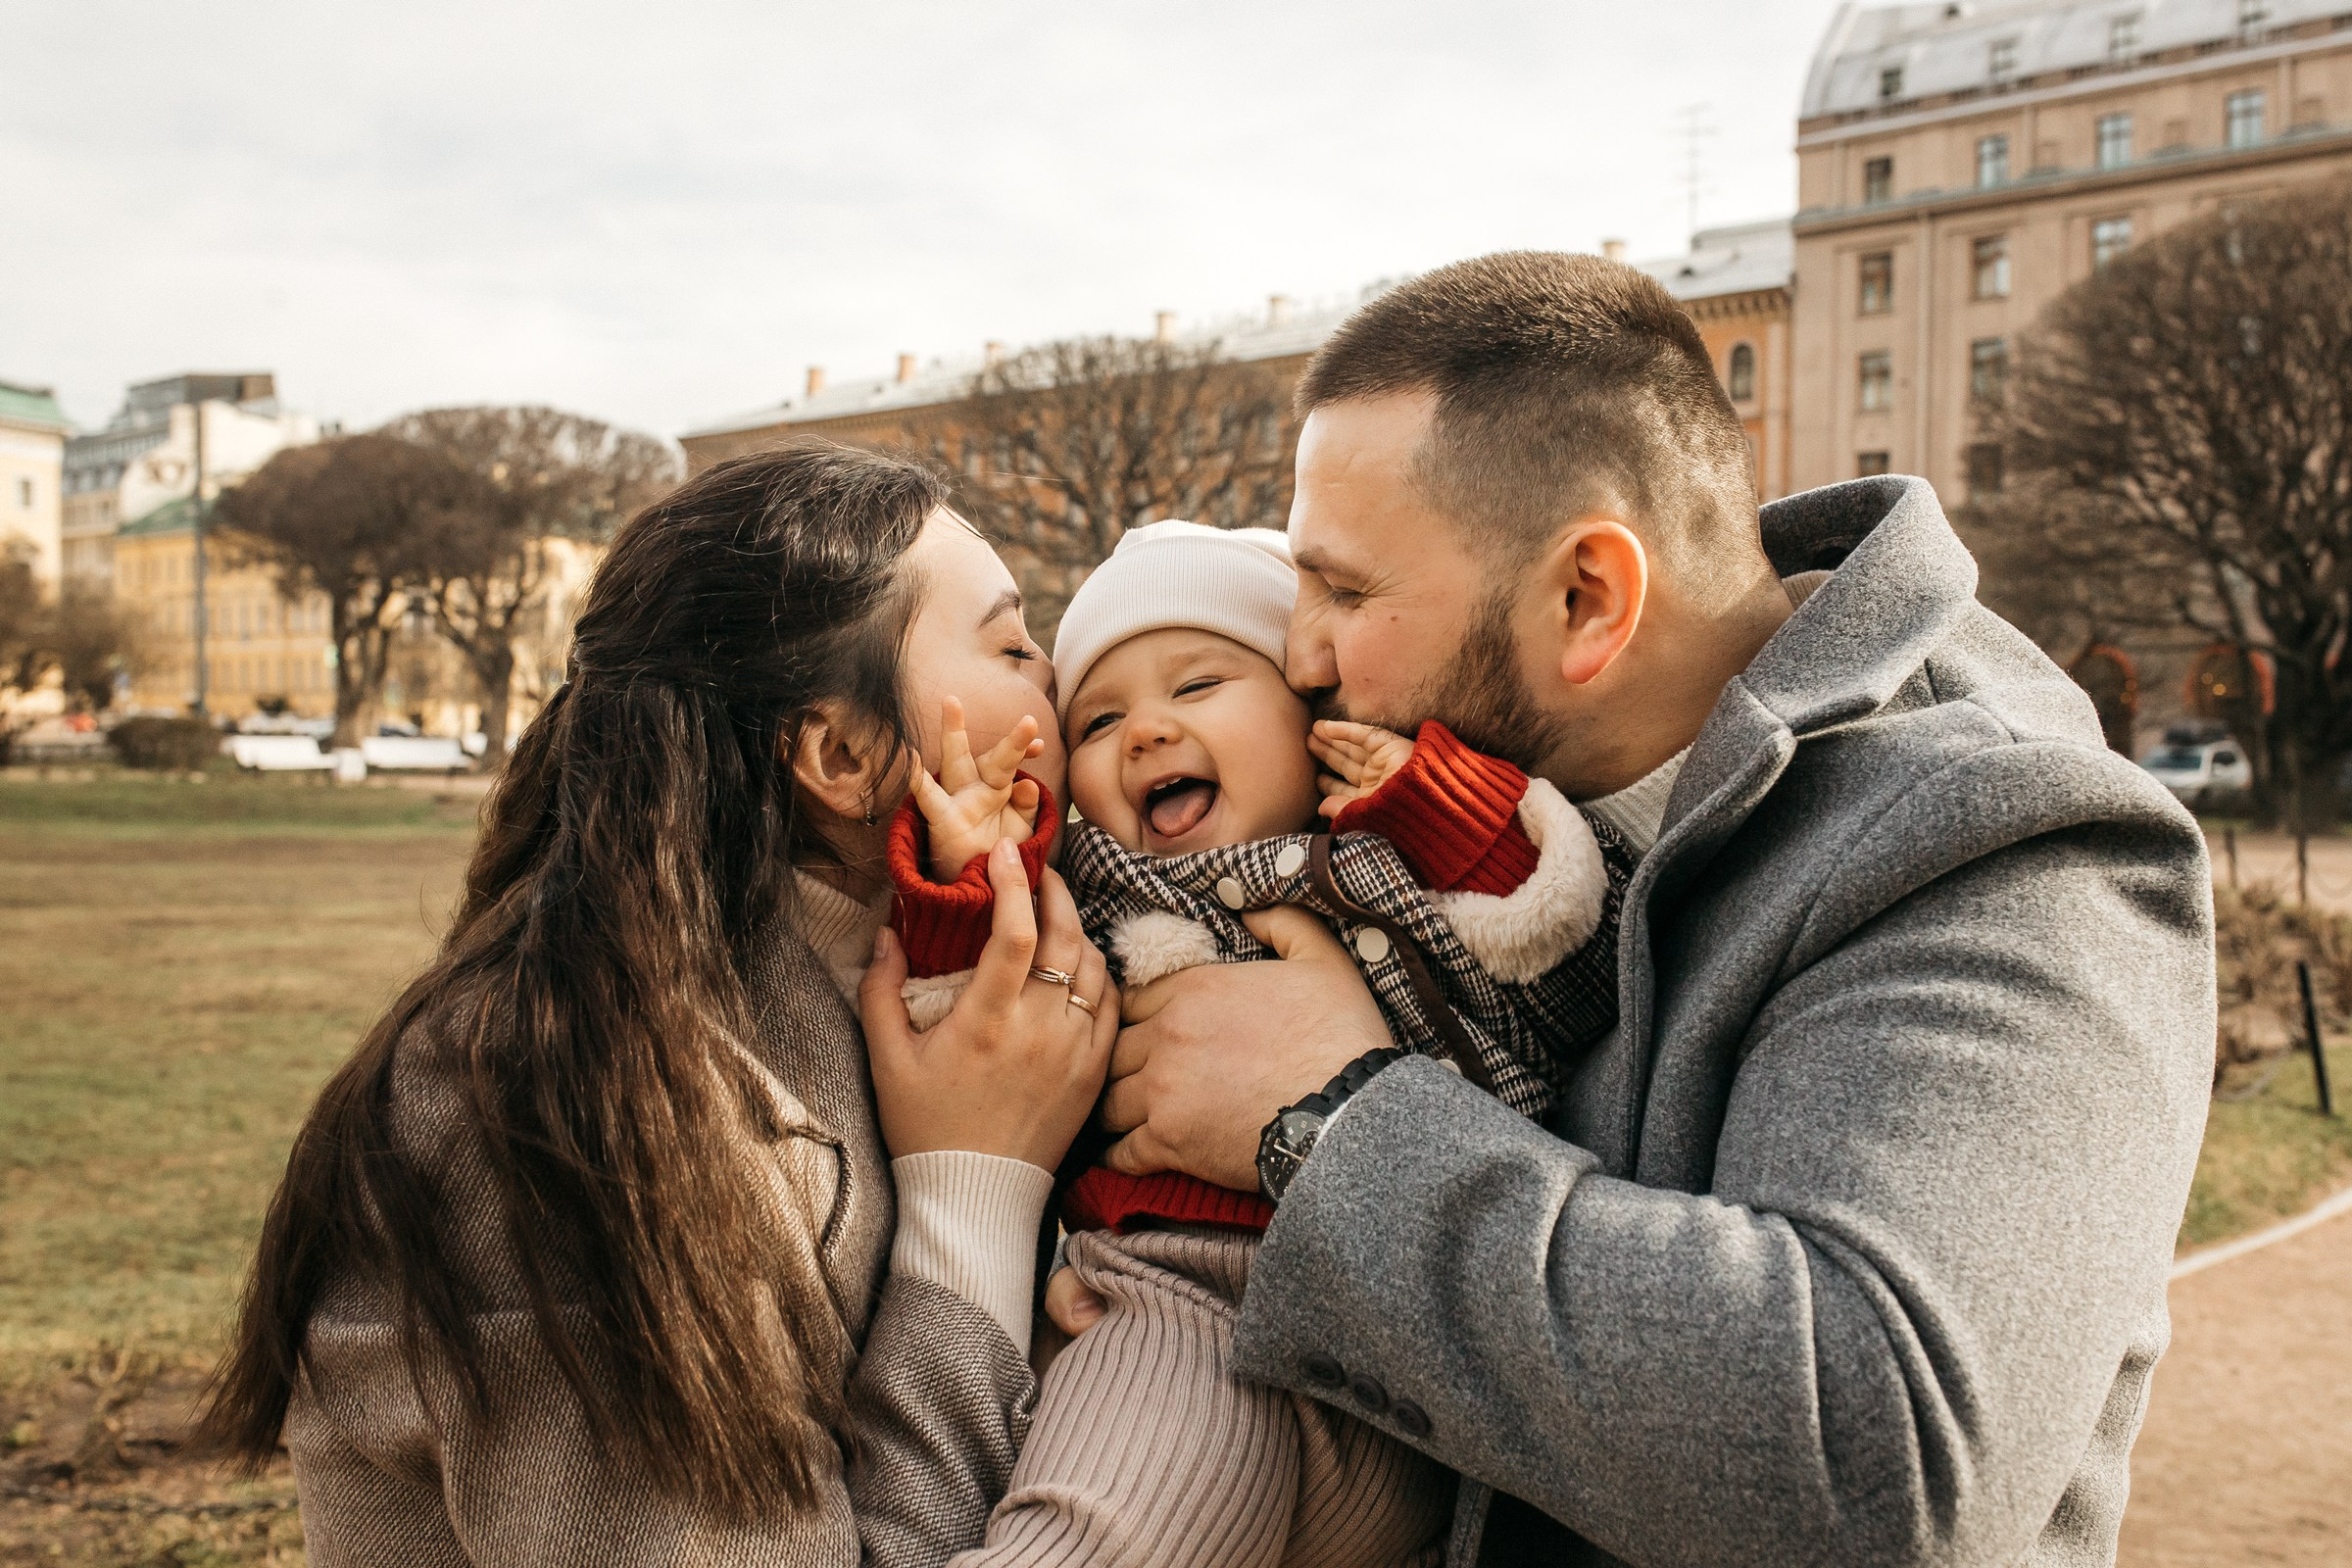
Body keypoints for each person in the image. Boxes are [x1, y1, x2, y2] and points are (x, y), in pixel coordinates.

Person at [1062, 253, 2217, 1566]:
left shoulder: (2008, 842)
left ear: (1587, 601)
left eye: (1343, 591)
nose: (1300, 655)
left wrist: (1326, 1120)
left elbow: (1876, 1460)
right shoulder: (1491, 819)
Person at [199, 444, 1118, 1566]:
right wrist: (975, 1193)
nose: (1057, 682)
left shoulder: (930, 1005)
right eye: (1015, 645)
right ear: (841, 752)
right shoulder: (548, 1104)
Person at [882, 518, 1633, 1567]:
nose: (1144, 731)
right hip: (1183, 1296)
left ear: (1308, 712)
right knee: (1104, 1532)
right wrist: (974, 882)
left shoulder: (1389, 861)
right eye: (1097, 720)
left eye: (1196, 688)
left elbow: (1571, 972)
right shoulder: (1100, 890)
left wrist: (1444, 806)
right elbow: (978, 1016)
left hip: (1420, 1326)